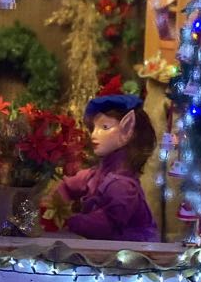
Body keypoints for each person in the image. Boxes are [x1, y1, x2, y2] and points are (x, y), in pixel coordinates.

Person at [55, 94, 159, 242]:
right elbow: (68, 186)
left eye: (105, 127)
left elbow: (105, 225)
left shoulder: (122, 185)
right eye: (93, 128)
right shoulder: (97, 174)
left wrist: (67, 220)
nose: (94, 135)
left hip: (129, 253)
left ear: (128, 130)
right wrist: (54, 204)